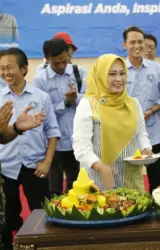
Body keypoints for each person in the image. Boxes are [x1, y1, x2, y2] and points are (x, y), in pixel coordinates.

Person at [0, 48, 60, 250]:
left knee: (41, 215)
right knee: (7, 219)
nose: (5, 73)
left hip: (35, 167)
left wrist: (47, 163)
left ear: (24, 68)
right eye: (1, 69)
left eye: (9, 67)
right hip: (5, 168)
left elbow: (53, 132)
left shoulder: (41, 97)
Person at [73, 54, 152, 191]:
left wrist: (146, 149)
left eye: (122, 74)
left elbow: (141, 134)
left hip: (131, 179)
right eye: (112, 74)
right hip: (99, 180)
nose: (118, 79)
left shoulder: (133, 104)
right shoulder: (88, 104)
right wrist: (101, 167)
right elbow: (81, 146)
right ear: (101, 76)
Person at [33, 38, 87, 198]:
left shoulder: (79, 72)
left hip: (78, 140)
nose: (62, 66)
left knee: (77, 184)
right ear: (47, 59)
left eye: (64, 61)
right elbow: (43, 113)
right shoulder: (40, 80)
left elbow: (90, 101)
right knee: (53, 188)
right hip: (54, 143)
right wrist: (65, 103)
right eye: (57, 63)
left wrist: (76, 98)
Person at [123, 26, 160, 193]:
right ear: (125, 45)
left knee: (158, 182)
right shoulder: (119, 69)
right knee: (129, 182)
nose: (137, 46)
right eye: (132, 42)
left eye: (140, 42)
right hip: (126, 136)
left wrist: (153, 109)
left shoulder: (157, 69)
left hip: (155, 135)